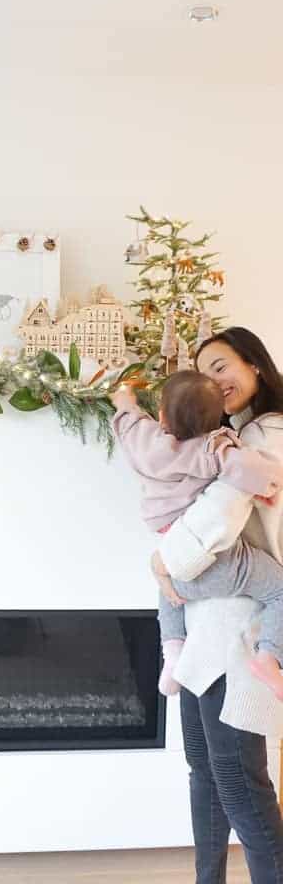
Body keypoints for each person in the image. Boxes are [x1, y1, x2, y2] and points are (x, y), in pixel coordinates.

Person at [151, 327, 283, 884]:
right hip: (207, 629)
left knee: (235, 779)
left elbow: (221, 515)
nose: (215, 380)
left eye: (223, 364)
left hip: (240, 627)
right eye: (205, 371)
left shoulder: (268, 435)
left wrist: (164, 561)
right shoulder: (228, 437)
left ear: (255, 364)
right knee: (205, 771)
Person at [112, 369, 283, 698]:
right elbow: (250, 470)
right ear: (218, 417)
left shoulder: (144, 441)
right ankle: (269, 657)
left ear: (161, 415)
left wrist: (124, 399)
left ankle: (172, 654)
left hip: (173, 555)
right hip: (219, 560)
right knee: (280, 590)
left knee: (169, 595)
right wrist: (267, 487)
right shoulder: (212, 449)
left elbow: (128, 420)